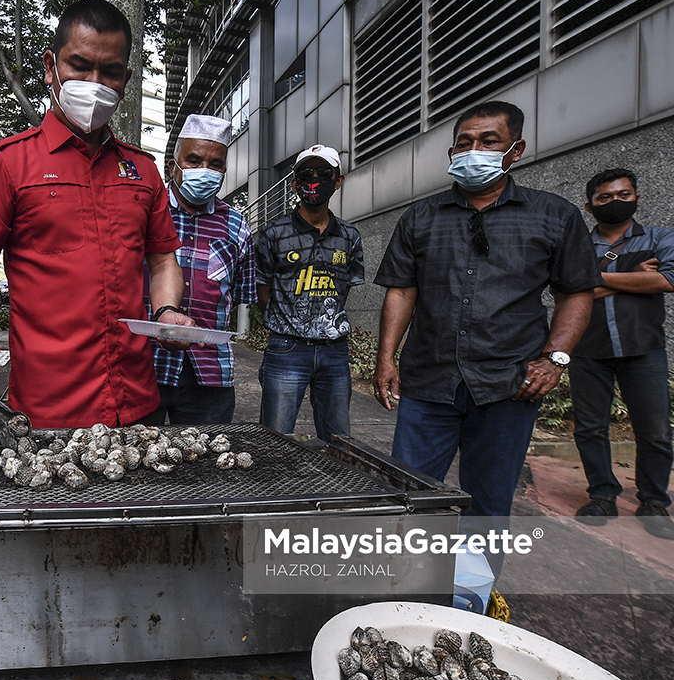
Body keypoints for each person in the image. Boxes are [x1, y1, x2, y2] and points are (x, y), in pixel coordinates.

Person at [0, 0, 192, 429]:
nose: (95, 83)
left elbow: (164, 259)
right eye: (79, 65)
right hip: (47, 411)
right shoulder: (8, 163)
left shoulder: (144, 171)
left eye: (110, 72)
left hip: (136, 403)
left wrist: (166, 311)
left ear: (126, 79)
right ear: (50, 67)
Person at [373, 100, 601, 529]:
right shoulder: (421, 217)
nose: (473, 149)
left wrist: (556, 359)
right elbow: (402, 290)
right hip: (428, 383)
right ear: (451, 154)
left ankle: (471, 595)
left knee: (489, 504)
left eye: (488, 141)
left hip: (509, 386)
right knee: (406, 497)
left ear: (515, 150)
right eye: (464, 142)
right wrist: (386, 357)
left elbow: (576, 293)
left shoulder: (554, 216)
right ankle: (407, 591)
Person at [570, 169, 674, 539]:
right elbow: (568, 294)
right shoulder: (577, 245)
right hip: (588, 349)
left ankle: (654, 500)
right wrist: (633, 274)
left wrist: (598, 279)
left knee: (656, 430)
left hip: (643, 349)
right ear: (590, 205)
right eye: (605, 197)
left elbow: (665, 281)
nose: (615, 202)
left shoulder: (660, 238)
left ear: (637, 198)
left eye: (623, 194)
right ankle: (601, 495)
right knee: (590, 428)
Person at [144, 114, 256, 424]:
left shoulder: (236, 225)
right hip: (143, 367)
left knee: (207, 465)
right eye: (193, 160)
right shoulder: (145, 213)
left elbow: (243, 294)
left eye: (215, 163)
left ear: (223, 171)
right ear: (173, 166)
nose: (203, 170)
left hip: (209, 373)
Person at [254, 144, 363, 441]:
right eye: (306, 174)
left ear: (338, 181)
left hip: (335, 351)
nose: (315, 179)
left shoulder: (350, 236)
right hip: (286, 349)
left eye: (324, 173)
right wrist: (291, 322)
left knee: (339, 442)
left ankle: (335, 488)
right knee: (275, 440)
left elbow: (344, 290)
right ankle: (274, 489)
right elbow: (263, 293)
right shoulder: (272, 234)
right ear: (294, 183)